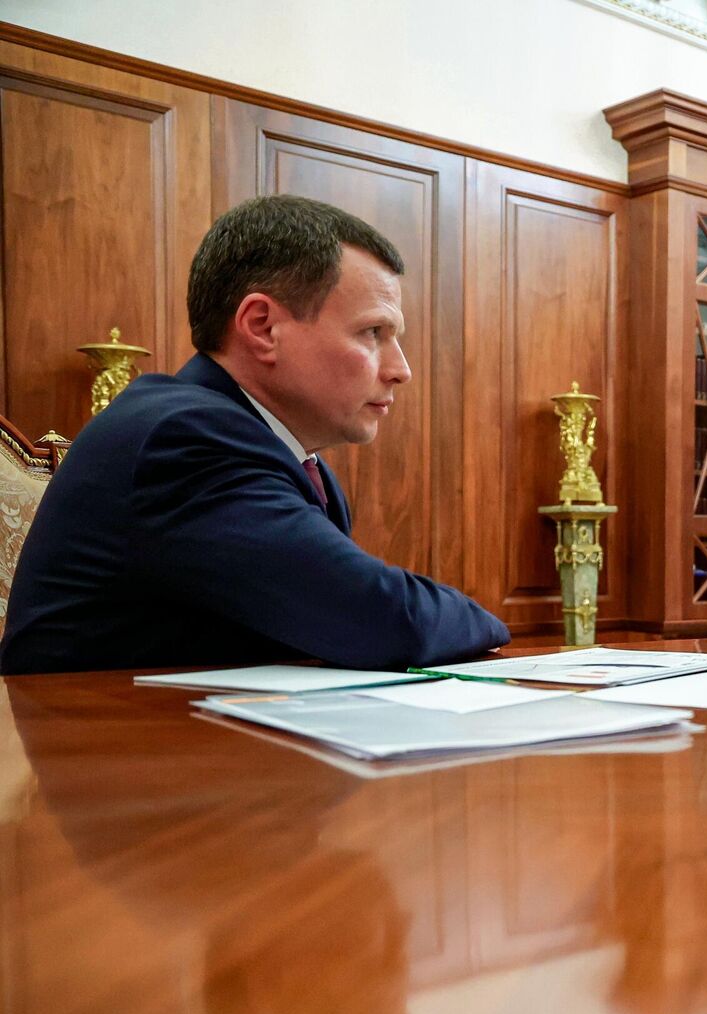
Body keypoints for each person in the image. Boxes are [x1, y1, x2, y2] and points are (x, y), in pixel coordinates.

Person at [1, 195, 509, 673]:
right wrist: (486, 621)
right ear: (263, 326)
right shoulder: (183, 439)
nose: (401, 370)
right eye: (373, 332)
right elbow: (384, 620)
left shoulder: (291, 460)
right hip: (96, 733)